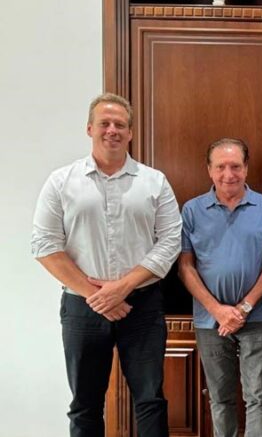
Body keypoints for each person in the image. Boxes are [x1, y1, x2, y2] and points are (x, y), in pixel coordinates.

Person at [31, 92, 181, 437]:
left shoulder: (154, 182)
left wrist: (122, 287)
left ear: (130, 133)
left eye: (120, 124)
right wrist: (96, 295)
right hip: (82, 306)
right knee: (85, 404)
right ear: (90, 128)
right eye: (105, 123)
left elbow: (171, 241)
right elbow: (44, 245)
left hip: (142, 305)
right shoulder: (61, 181)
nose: (112, 130)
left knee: (150, 400)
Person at [179, 138, 262, 437]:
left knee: (258, 396)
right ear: (209, 170)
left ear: (246, 168)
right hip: (209, 320)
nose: (228, 174)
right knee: (220, 397)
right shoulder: (192, 210)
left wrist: (244, 307)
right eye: (220, 167)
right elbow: (185, 267)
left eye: (235, 166)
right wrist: (218, 310)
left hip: (257, 315)